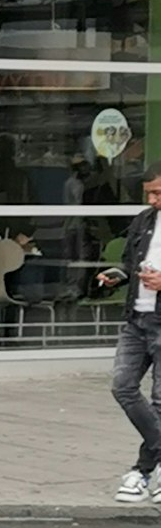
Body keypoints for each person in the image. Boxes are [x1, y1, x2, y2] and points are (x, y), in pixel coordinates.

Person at [96, 167, 161, 502]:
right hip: (137, 318)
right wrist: (116, 275)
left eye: (158, 193)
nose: (152, 200)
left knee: (160, 402)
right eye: (149, 193)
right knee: (123, 386)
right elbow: (128, 262)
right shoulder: (144, 220)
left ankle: (141, 472)